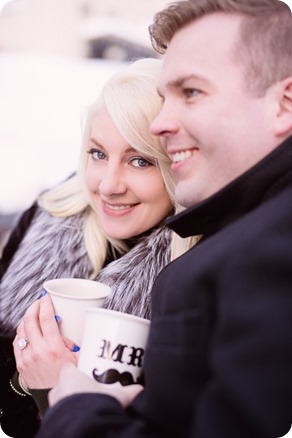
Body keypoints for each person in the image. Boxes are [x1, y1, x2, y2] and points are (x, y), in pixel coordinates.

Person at [35, 0, 292, 437]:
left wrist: (76, 408)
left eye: (190, 91)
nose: (160, 123)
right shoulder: (242, 230)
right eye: (164, 97)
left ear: (284, 104)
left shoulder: (269, 248)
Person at [0, 57, 197, 437]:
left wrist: (52, 388)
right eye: (98, 154)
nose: (108, 185)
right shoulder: (50, 215)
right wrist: (23, 381)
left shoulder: (201, 272)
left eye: (140, 160)